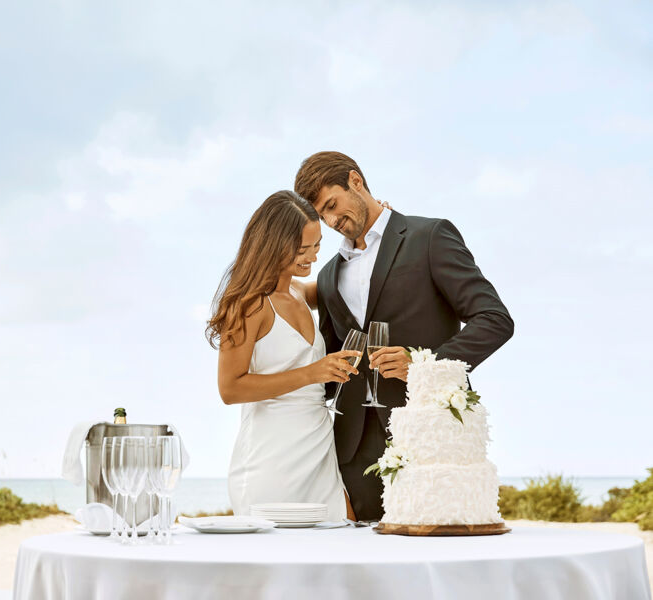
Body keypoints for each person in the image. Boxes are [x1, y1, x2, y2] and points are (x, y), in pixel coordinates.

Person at [293, 151, 515, 522]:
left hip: (430, 439)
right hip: (353, 453)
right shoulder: (330, 275)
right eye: (322, 215)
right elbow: (333, 365)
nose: (331, 220)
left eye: (332, 204)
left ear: (356, 181)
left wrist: (422, 364)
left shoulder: (429, 237)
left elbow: (494, 319)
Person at [207, 190, 359, 522]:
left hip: (319, 453)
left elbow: (352, 274)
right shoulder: (248, 304)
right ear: (272, 246)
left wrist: (377, 235)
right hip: (272, 462)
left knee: (344, 551)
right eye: (302, 251)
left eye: (317, 246)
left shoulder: (298, 291)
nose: (312, 259)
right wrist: (312, 374)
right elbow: (230, 389)